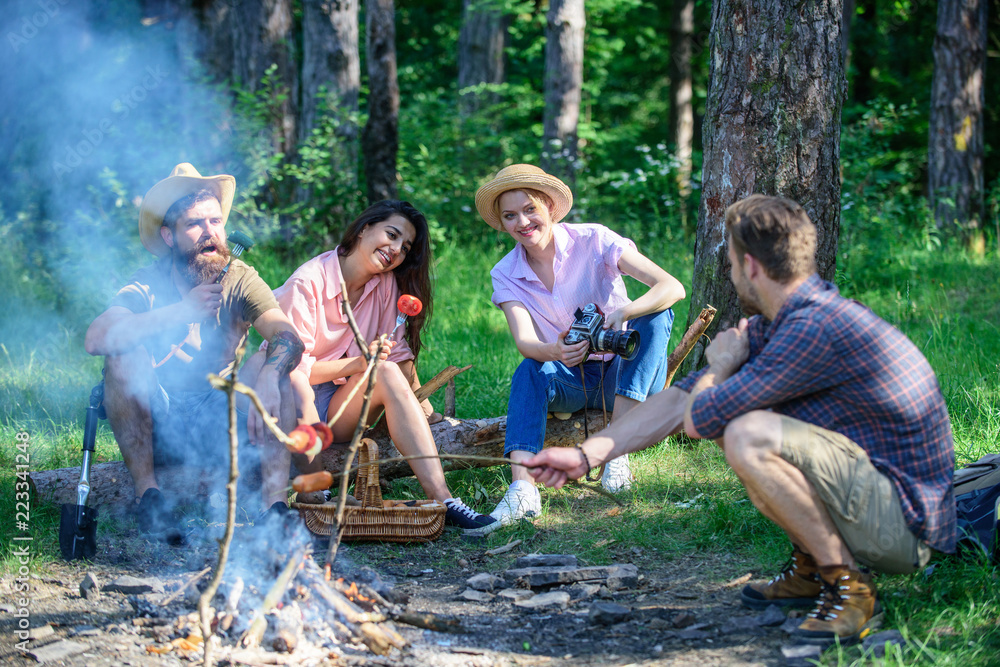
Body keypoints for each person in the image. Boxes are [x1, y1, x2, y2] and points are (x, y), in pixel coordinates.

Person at [525, 195, 956, 646]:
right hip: (880, 502)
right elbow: (680, 401)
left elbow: (703, 417)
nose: (730, 276)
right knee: (738, 424)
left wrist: (723, 365)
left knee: (747, 435)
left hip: (904, 531)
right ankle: (810, 567)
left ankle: (848, 585)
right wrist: (584, 455)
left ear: (750, 266)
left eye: (731, 264)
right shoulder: (785, 319)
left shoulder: (813, 327)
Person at [85, 163, 308, 541]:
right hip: (158, 421)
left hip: (218, 417)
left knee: (274, 361)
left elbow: (286, 332)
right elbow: (96, 338)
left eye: (216, 222)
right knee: (122, 355)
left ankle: (275, 510)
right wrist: (180, 312)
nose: (210, 233)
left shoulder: (240, 277)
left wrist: (271, 374)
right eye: (194, 224)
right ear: (169, 236)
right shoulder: (147, 282)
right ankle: (149, 498)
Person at [473, 164, 686, 534]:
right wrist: (555, 351)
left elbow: (672, 287)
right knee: (529, 368)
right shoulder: (505, 272)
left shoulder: (594, 240)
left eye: (530, 209)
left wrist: (625, 311)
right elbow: (525, 341)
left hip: (627, 367)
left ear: (549, 208)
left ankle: (615, 454)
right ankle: (522, 489)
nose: (522, 222)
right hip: (572, 375)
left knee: (657, 315)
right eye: (510, 216)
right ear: (502, 224)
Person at [269, 199, 499, 533]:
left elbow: (398, 357)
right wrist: (360, 362)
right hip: (291, 406)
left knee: (387, 371)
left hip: (337, 407)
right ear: (364, 229)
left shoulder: (384, 284)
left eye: (405, 247)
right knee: (373, 370)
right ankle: (308, 490)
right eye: (391, 235)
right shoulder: (307, 283)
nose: (395, 250)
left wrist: (428, 413)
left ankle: (445, 502)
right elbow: (292, 371)